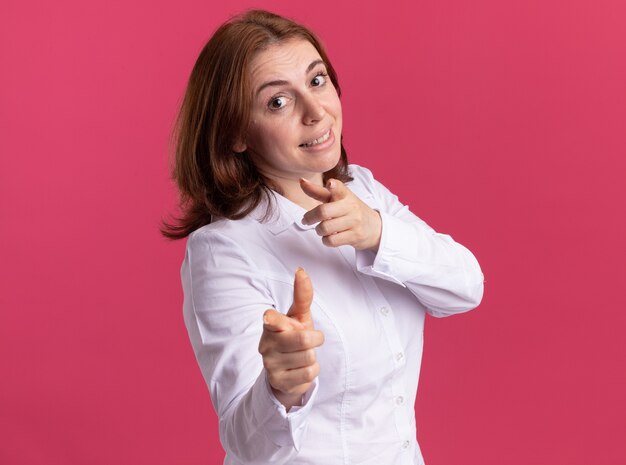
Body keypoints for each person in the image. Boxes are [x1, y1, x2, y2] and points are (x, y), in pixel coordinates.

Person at [163, 9, 484, 465]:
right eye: (278, 102)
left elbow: (465, 288)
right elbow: (244, 439)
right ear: (236, 132)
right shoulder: (223, 251)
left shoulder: (363, 190)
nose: (317, 112)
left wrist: (378, 233)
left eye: (317, 81)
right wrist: (281, 388)